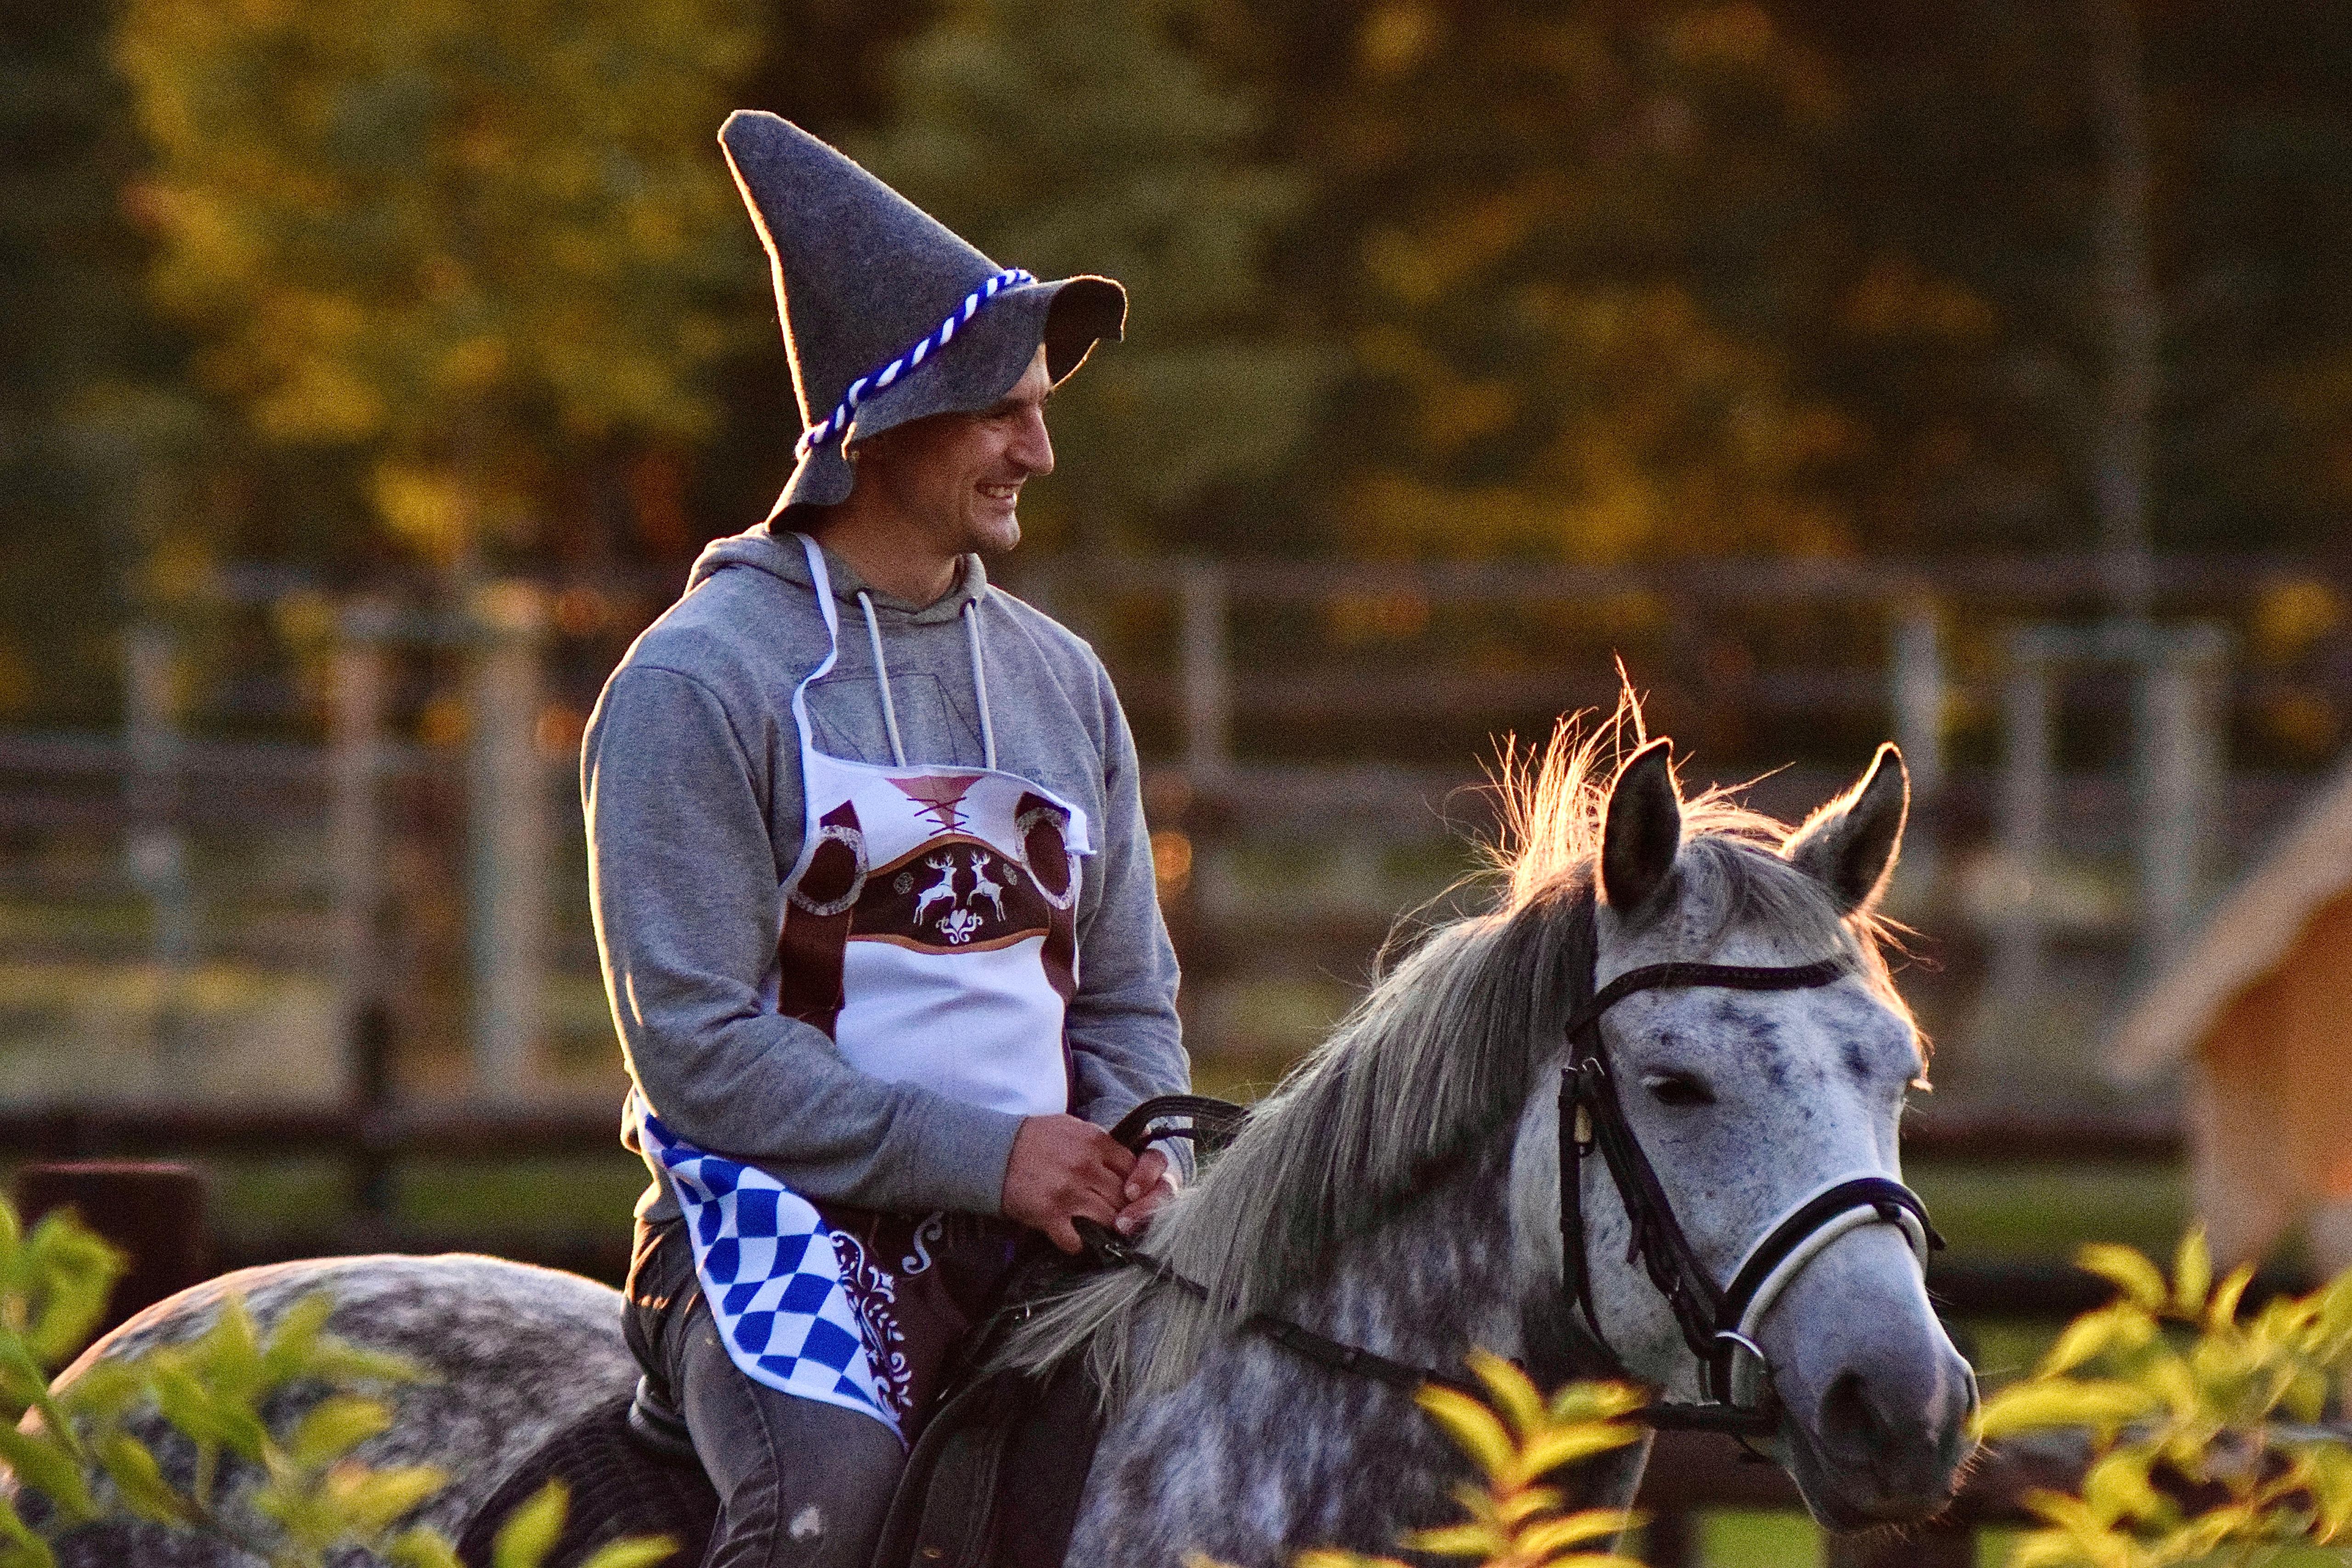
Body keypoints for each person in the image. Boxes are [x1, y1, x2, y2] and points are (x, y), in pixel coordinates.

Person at [582, 111, 1190, 1568]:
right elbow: (698, 1048)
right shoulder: (697, 682)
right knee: (833, 1506)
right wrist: (992, 1159)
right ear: (882, 424)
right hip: (771, 1227)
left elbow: (1126, 998)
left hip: (1045, 1223)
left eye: (1039, 410)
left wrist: (1140, 1149)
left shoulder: (1063, 682)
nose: (1040, 449)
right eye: (1001, 413)